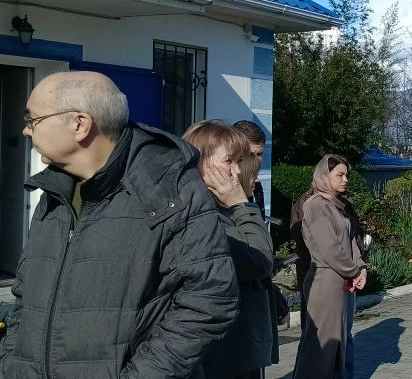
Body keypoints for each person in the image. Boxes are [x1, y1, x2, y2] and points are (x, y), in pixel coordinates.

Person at [0, 72, 237, 379]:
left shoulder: (168, 187)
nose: (26, 130)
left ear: (80, 125)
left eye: (33, 119)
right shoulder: (55, 191)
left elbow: (210, 299)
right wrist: (11, 363)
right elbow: (26, 295)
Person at [186, 121, 276, 379]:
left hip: (238, 345)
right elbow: (259, 260)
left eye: (240, 161)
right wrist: (240, 204)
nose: (237, 171)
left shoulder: (221, 206)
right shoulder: (200, 214)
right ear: (201, 162)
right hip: (220, 351)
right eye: (230, 161)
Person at [293, 155, 367, 379]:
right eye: (340, 175)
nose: (345, 180)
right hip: (324, 281)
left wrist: (361, 267)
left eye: (347, 175)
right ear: (324, 176)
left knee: (338, 344)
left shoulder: (337, 205)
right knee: (321, 348)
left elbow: (351, 239)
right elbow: (330, 249)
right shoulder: (317, 205)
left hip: (341, 281)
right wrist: (354, 270)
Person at [232, 119, 267, 213]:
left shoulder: (257, 186)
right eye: (250, 155)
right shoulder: (226, 190)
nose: (256, 161)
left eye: (259, 154)